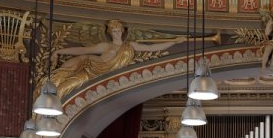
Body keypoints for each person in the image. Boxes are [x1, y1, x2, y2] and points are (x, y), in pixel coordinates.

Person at [51, 19, 187, 98]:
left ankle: (52, 99)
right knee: (63, 73)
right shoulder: (105, 46)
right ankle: (49, 89)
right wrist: (59, 51)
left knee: (71, 84)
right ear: (109, 33)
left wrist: (175, 41)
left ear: (122, 31)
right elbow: (83, 50)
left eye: (118, 31)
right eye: (113, 31)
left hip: (96, 74)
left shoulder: (130, 45)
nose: (116, 34)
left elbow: (152, 48)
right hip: (89, 63)